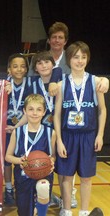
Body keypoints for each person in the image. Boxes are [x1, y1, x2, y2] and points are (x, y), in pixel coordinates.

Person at [54, 41, 106, 216]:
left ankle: (84, 211)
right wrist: (59, 140)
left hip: (88, 135)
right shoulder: (62, 85)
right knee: (67, 177)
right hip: (68, 136)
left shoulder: (96, 81)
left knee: (86, 177)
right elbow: (57, 114)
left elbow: (102, 110)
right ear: (69, 59)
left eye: (83, 57)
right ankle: (67, 210)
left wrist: (100, 135)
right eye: (76, 57)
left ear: (88, 59)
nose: (80, 60)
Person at [5, 94, 56, 216]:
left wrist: (52, 161)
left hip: (43, 174)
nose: (35, 113)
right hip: (23, 176)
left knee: (42, 189)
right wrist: (20, 161)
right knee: (25, 212)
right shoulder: (17, 132)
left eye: (39, 110)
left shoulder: (50, 133)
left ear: (44, 112)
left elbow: (53, 155)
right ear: (25, 111)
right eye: (31, 109)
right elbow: (7, 156)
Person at [4, 53, 34, 205]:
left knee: (23, 159)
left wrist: (16, 127)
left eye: (23, 66)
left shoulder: (31, 83)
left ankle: (23, 187)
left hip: (23, 129)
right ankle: (8, 189)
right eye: (15, 66)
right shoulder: (3, 84)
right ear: (9, 69)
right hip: (5, 129)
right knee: (7, 161)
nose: (19, 69)